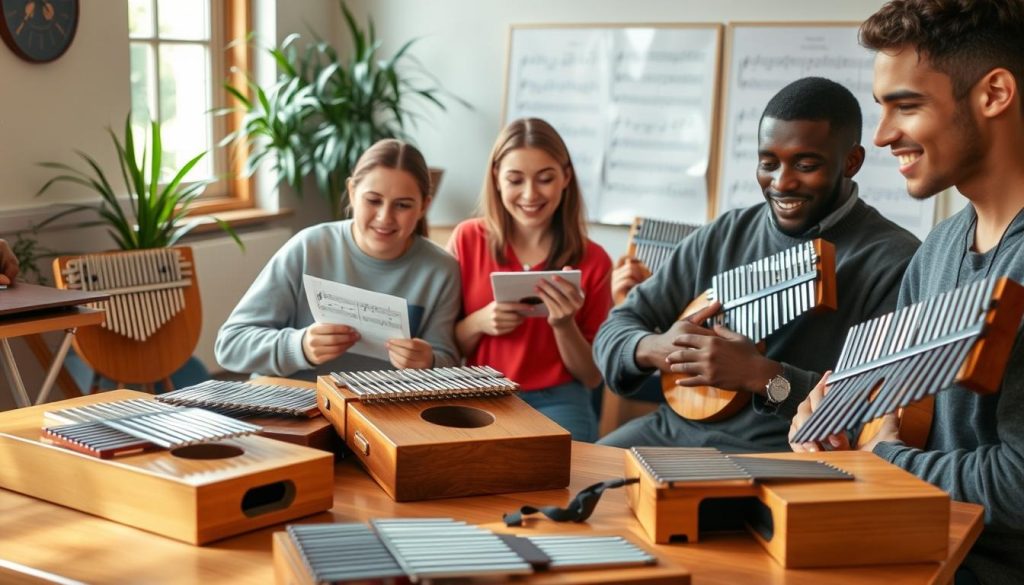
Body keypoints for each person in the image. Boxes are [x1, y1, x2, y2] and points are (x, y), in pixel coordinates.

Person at [790, 3, 1024, 583]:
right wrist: (834, 421)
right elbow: (889, 407)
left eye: (907, 105)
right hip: (912, 538)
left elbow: (1017, 485)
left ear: (994, 93)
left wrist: (884, 459)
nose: (883, 135)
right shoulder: (939, 248)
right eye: (882, 107)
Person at [593, 77, 920, 451]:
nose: (782, 183)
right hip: (668, 432)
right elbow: (613, 332)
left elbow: (876, 411)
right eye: (768, 163)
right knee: (568, 487)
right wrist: (659, 348)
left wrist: (763, 376)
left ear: (851, 161)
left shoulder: (894, 261)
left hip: (776, 456)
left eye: (806, 164)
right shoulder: (724, 234)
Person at [215, 139, 461, 381]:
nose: (385, 217)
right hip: (289, 403)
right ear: (353, 192)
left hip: (376, 415)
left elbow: (448, 360)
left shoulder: (441, 269)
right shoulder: (309, 247)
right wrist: (299, 347)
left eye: (403, 205)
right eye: (373, 200)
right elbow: (230, 345)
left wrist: (428, 362)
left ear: (424, 207)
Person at [448, 118, 613, 442]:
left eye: (545, 179)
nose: (530, 194)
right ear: (496, 178)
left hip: (560, 399)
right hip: (481, 391)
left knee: (567, 477)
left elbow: (592, 377)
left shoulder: (594, 260)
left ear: (566, 177)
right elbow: (442, 348)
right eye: (515, 179)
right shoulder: (468, 239)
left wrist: (564, 325)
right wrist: (479, 322)